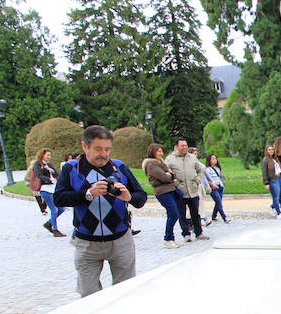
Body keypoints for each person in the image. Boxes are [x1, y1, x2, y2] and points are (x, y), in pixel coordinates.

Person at [54, 125, 147, 297]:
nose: (104, 154)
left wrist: (128, 197)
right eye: (98, 149)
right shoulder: (71, 168)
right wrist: (88, 193)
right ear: (85, 146)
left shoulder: (118, 167)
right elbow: (58, 198)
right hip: (87, 243)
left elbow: (141, 197)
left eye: (107, 149)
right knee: (89, 295)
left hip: (120, 240)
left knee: (126, 293)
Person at [165, 139, 208, 242]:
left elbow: (201, 169)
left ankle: (199, 233)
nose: (184, 147)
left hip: (192, 190)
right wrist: (176, 183)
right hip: (180, 192)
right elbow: (166, 172)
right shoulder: (170, 159)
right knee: (182, 214)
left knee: (195, 213)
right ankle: (186, 233)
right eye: (182, 145)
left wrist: (197, 181)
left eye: (186, 145)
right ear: (176, 147)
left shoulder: (192, 158)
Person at [144, 143, 182, 248]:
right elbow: (164, 177)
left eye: (161, 151)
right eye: (159, 151)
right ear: (153, 152)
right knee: (174, 214)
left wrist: (169, 174)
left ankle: (170, 238)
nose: (161, 153)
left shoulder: (160, 162)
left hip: (170, 190)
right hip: (162, 191)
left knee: (173, 214)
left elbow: (172, 174)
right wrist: (169, 174)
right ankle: (168, 239)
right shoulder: (151, 164)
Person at [31, 148, 65, 237]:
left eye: (50, 155)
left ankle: (49, 223)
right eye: (47, 155)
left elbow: (57, 174)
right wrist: (49, 179)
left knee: (61, 209)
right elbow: (39, 175)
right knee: (54, 209)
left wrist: (50, 170)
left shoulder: (48, 165)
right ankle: (55, 230)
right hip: (45, 189)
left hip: (53, 188)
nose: (49, 157)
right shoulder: (37, 164)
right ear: (42, 155)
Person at [262, 145, 281, 219]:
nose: (271, 151)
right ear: (266, 151)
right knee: (275, 197)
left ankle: (272, 206)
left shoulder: (275, 159)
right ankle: (279, 213)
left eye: (272, 150)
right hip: (273, 180)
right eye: (269, 150)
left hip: (279, 179)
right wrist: (266, 183)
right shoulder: (265, 160)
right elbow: (264, 172)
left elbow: (280, 170)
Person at [204, 154, 229, 223]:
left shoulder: (218, 168)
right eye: (213, 159)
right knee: (219, 202)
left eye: (215, 158)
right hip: (213, 188)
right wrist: (212, 184)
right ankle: (224, 217)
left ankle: (214, 216)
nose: (215, 160)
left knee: (218, 202)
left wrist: (222, 185)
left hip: (220, 186)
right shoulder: (207, 170)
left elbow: (220, 178)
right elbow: (205, 180)